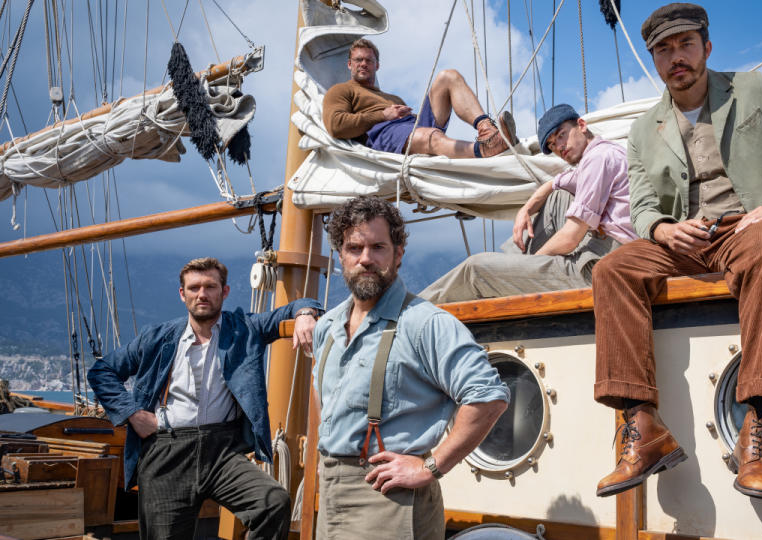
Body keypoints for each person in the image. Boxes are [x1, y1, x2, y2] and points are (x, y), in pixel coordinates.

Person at [592, 3, 762, 501]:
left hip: (752, 229)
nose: (676, 57)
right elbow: (643, 204)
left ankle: (758, 430)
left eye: (685, 44)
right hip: (686, 241)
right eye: (663, 49)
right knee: (612, 269)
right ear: (654, 59)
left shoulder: (756, 90)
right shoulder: (644, 130)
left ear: (707, 47)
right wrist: (662, 228)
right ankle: (642, 429)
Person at [299, 196, 509, 540]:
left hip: (389, 499)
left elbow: (488, 396)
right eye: (354, 248)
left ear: (398, 254)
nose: (366, 258)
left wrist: (431, 466)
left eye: (378, 247)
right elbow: (324, 398)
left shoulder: (425, 323)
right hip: (331, 490)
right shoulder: (328, 327)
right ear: (341, 257)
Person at [87, 257, 323, 539]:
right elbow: (103, 371)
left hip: (221, 452)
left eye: (210, 287)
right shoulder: (158, 338)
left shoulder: (245, 329)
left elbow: (299, 304)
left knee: (272, 502)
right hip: (166, 451)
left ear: (224, 292)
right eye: (194, 287)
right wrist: (133, 415)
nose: (202, 294)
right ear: (182, 293)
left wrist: (305, 314)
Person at [419, 104, 638, 303]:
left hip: (601, 265)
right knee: (556, 195)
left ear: (581, 125)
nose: (559, 147)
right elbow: (554, 184)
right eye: (552, 145)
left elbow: (571, 237)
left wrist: (529, 267)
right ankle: (511, 262)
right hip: (607, 251)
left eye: (562, 135)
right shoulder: (604, 152)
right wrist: (525, 209)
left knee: (475, 268)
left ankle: (407, 316)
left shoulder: (598, 160)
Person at [323, 38, 517, 158]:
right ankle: (484, 150)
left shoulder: (392, 96)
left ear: (377, 66)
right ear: (349, 64)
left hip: (409, 127)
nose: (363, 64)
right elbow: (335, 125)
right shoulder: (341, 91)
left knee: (448, 76)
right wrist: (383, 115)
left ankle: (488, 131)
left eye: (369, 60)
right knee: (430, 136)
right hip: (383, 133)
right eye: (358, 60)